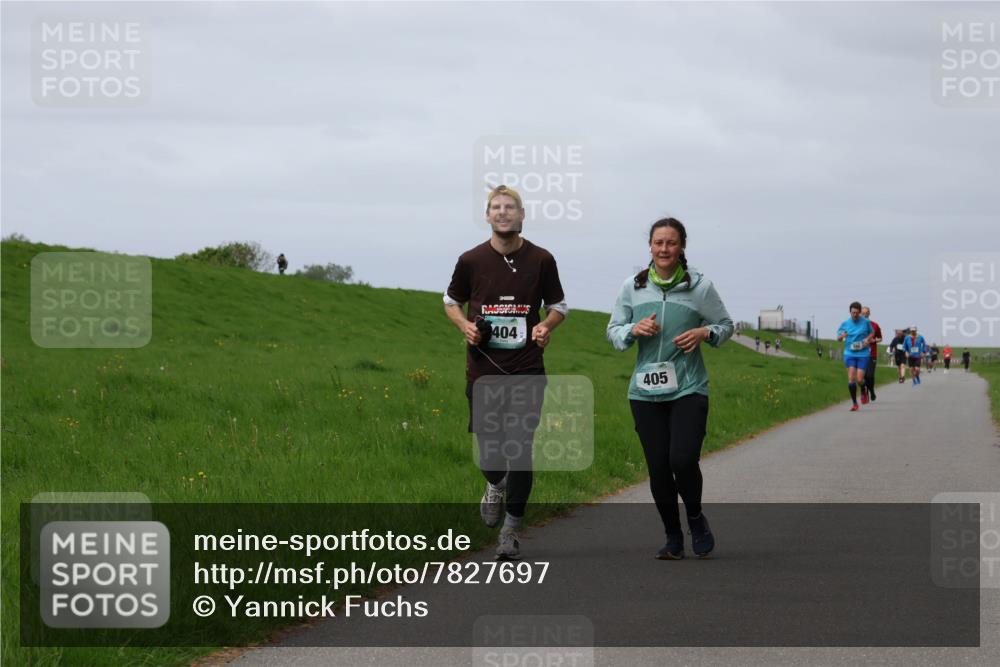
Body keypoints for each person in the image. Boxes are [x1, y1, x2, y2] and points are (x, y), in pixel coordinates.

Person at [444, 185, 567, 560]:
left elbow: (559, 305)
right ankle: (496, 485)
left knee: (521, 448)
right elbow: (451, 301)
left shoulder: (542, 259)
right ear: (487, 215)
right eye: (496, 207)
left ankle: (511, 530)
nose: (503, 213)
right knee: (489, 451)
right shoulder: (471, 260)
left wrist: (546, 326)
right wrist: (464, 325)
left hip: (527, 369)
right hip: (482, 370)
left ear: (522, 214)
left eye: (509, 207)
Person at [607, 217, 733, 560]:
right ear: (650, 246)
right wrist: (633, 330)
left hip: (689, 387)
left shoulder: (700, 288)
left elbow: (725, 325)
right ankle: (673, 536)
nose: (664, 249)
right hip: (644, 393)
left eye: (671, 243)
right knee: (659, 466)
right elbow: (614, 331)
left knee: (683, 458)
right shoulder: (631, 287)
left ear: (682, 248)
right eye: (658, 242)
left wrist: (704, 333)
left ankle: (695, 517)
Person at [837, 302, 875, 411]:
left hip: (863, 354)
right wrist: (842, 336)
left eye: (857, 313)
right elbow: (838, 338)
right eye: (853, 312)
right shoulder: (845, 323)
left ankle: (863, 388)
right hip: (849, 354)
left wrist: (867, 340)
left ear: (860, 313)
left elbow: (872, 333)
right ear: (850, 312)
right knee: (851, 379)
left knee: (859, 379)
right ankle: (854, 403)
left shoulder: (866, 322)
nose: (855, 315)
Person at [860, 307, 883, 401]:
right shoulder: (857, 325)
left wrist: (874, 340)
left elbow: (880, 338)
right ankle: (865, 391)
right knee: (862, 377)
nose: (865, 315)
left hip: (871, 354)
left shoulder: (875, 325)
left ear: (869, 314)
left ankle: (872, 391)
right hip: (860, 354)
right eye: (863, 313)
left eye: (867, 313)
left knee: (870, 376)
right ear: (860, 314)